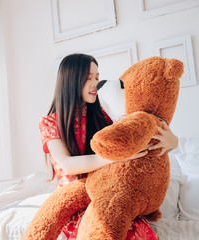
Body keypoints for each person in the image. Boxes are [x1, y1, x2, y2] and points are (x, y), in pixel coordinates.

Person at [39, 53, 178, 240]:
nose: (95, 83)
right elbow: (67, 164)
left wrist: (172, 140)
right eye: (88, 78)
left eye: (97, 77)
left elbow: (138, 135)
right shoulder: (50, 123)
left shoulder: (101, 114)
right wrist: (118, 156)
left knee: (128, 225)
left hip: (106, 190)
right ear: (70, 81)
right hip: (75, 197)